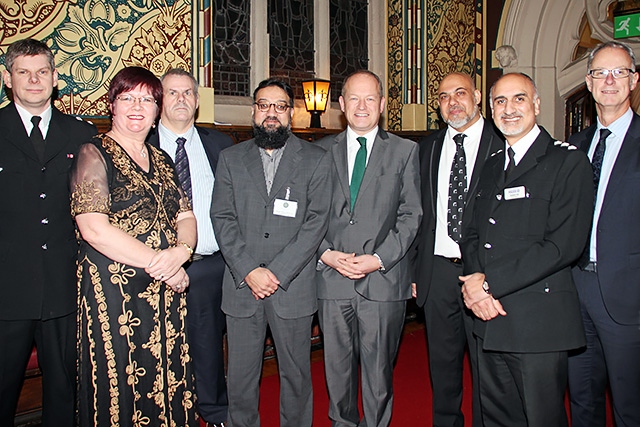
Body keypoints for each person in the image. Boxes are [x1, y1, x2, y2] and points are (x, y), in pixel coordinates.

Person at [459, 72, 593, 427]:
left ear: (536, 104)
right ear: (490, 110)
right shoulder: (490, 166)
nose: (509, 109)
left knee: (541, 419)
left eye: (519, 99)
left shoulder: (567, 162)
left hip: (537, 324)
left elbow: (563, 246)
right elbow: (471, 233)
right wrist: (474, 284)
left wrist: (488, 285)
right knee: (498, 420)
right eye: (500, 101)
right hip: (488, 320)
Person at [71, 66, 197, 426]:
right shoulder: (94, 153)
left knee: (166, 374)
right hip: (115, 292)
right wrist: (166, 266)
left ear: (158, 108)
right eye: (127, 98)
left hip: (165, 292)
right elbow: (94, 229)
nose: (137, 106)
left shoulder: (162, 159)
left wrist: (182, 253)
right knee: (121, 384)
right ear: (112, 104)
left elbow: (186, 217)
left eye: (147, 99)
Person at [210, 78, 332, 427]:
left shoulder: (315, 159)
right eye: (264, 105)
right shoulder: (231, 159)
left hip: (291, 288)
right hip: (241, 286)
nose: (271, 114)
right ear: (253, 111)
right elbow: (222, 217)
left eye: (279, 106)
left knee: (296, 376)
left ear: (290, 113)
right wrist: (249, 269)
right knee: (242, 378)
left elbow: (316, 223)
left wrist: (276, 273)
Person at [316, 70, 422, 427]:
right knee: (337, 371)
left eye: (370, 98)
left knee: (379, 376)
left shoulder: (406, 151)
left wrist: (378, 259)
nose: (362, 106)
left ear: (382, 104)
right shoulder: (319, 152)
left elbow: (411, 214)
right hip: (332, 278)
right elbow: (308, 215)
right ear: (342, 104)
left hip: (382, 280)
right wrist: (326, 253)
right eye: (354, 99)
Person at [0, 38, 97, 426]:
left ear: (56, 78)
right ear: (9, 79)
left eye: (42, 71)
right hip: (7, 289)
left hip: (64, 288)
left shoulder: (82, 134)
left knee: (64, 392)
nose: (34, 80)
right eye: (24, 72)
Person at [411, 72, 502, 427]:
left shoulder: (502, 141)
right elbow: (418, 212)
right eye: (444, 95)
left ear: (477, 96)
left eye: (460, 93)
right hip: (438, 271)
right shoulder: (427, 148)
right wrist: (417, 270)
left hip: (486, 272)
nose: (453, 102)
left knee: (488, 364)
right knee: (443, 363)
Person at [148, 68, 232, 427]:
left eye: (188, 93)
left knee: (209, 343)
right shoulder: (141, 144)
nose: (181, 99)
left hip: (211, 264)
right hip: (154, 265)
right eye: (172, 92)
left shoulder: (221, 145)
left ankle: (214, 411)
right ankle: (163, 411)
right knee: (157, 346)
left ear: (197, 101)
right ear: (159, 99)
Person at [567, 41, 640, 427]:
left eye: (619, 73)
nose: (609, 81)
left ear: (633, 81)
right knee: (582, 401)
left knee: (630, 406)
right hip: (576, 292)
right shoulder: (573, 149)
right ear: (588, 82)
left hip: (629, 297)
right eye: (600, 73)